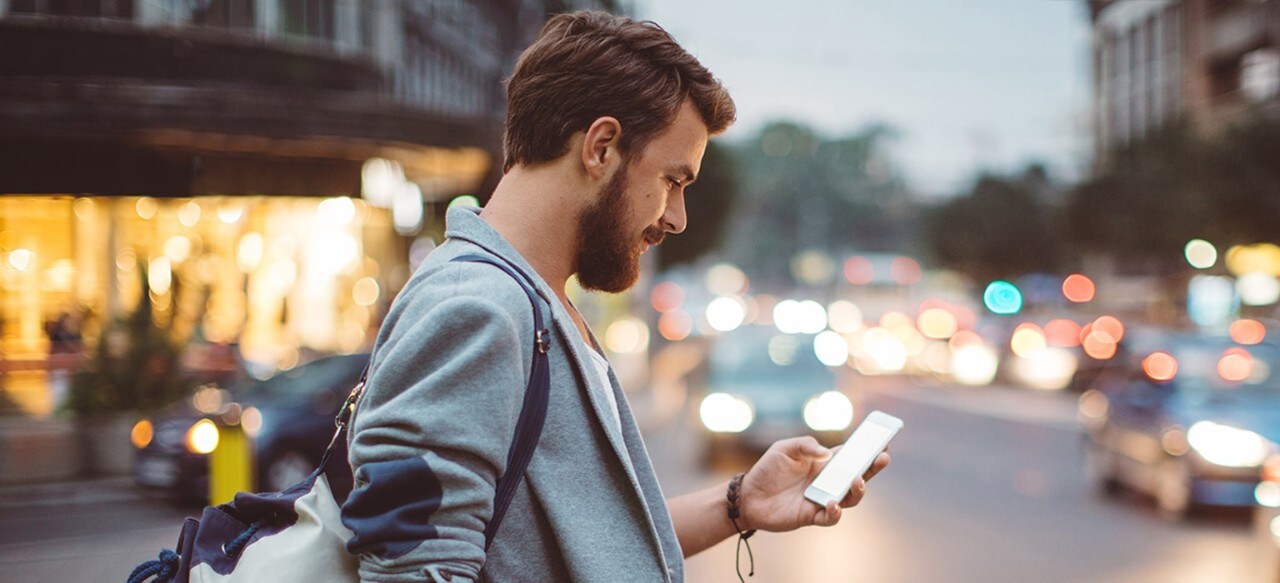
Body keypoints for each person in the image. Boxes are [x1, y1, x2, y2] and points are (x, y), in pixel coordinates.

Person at [342, 10, 890, 582]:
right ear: (601, 147)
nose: (676, 218)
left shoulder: (531, 302)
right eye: (673, 181)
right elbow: (412, 573)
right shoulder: (476, 308)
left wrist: (737, 503)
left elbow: (581, 546)